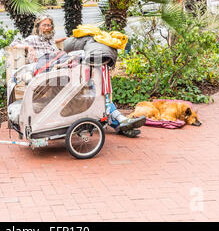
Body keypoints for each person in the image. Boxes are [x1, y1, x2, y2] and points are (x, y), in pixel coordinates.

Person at [11, 14, 145, 138]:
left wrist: (64, 41)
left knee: (93, 90)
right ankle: (121, 122)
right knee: (91, 90)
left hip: (60, 73)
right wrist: (29, 48)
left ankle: (122, 124)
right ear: (38, 27)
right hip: (50, 76)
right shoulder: (33, 39)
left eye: (49, 25)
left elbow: (57, 46)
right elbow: (14, 44)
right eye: (44, 25)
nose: (47, 28)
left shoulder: (50, 41)